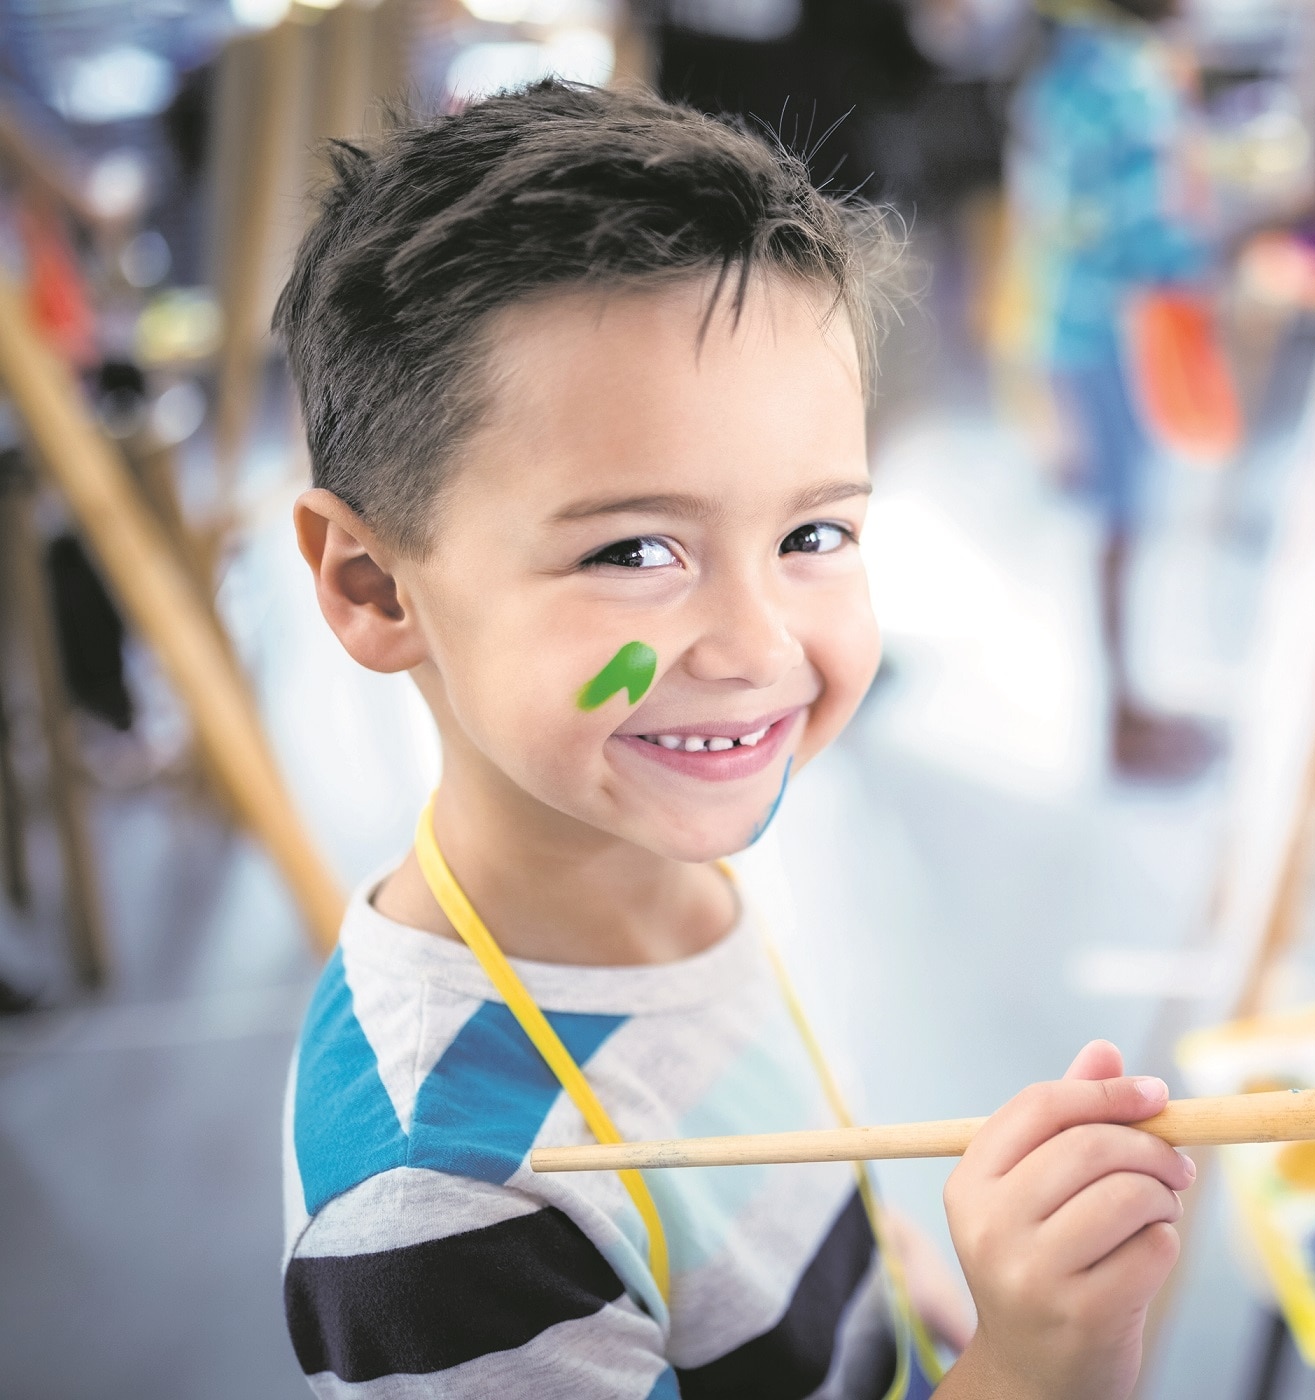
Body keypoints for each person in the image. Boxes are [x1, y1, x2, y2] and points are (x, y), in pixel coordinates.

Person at [277, 82, 1193, 1398]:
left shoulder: (658, 863)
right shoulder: (437, 1214)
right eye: (633, 550)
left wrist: (913, 1293)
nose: (759, 648)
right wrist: (1036, 1366)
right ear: (374, 585)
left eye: (813, 534)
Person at [1009, 0, 1221, 782]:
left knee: (1114, 521)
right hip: (1116, 333)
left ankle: (1124, 705)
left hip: (1063, 324)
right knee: (1122, 522)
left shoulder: (1067, 66)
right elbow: (1141, 230)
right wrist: (1239, 238)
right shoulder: (1130, 80)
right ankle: (1124, 716)